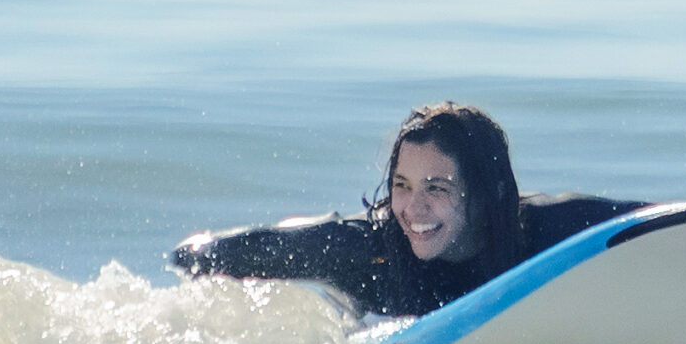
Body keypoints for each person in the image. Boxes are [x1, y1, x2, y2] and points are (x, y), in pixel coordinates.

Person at [172, 102, 644, 316]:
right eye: (401, 185)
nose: (413, 207)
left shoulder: (545, 230)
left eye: (436, 187)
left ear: (484, 193)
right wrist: (197, 256)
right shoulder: (365, 252)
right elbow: (236, 253)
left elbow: (662, 226)